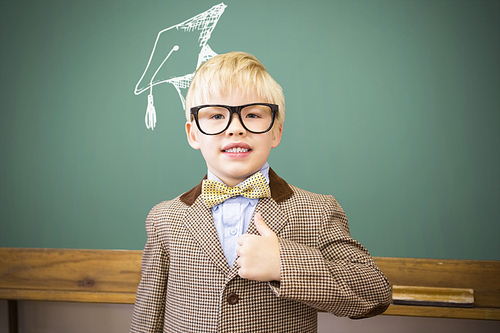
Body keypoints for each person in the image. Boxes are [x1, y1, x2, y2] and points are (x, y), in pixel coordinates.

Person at [130, 52, 391, 333]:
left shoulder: (318, 210)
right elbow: (148, 316)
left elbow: (375, 293)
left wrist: (283, 263)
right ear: (193, 134)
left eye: (252, 115)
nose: (235, 128)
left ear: (276, 132)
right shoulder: (164, 218)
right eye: (216, 115)